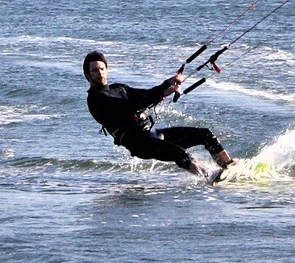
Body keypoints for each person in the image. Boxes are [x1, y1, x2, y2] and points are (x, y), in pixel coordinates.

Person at [83, 50, 235, 179]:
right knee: (179, 154)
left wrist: (168, 83)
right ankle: (210, 176)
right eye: (95, 70)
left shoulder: (118, 88)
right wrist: (163, 93)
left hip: (153, 134)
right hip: (139, 144)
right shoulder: (95, 99)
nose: (99, 73)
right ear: (88, 75)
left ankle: (228, 165)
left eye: (102, 69)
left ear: (107, 69)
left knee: (205, 134)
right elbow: (129, 106)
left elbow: (144, 94)